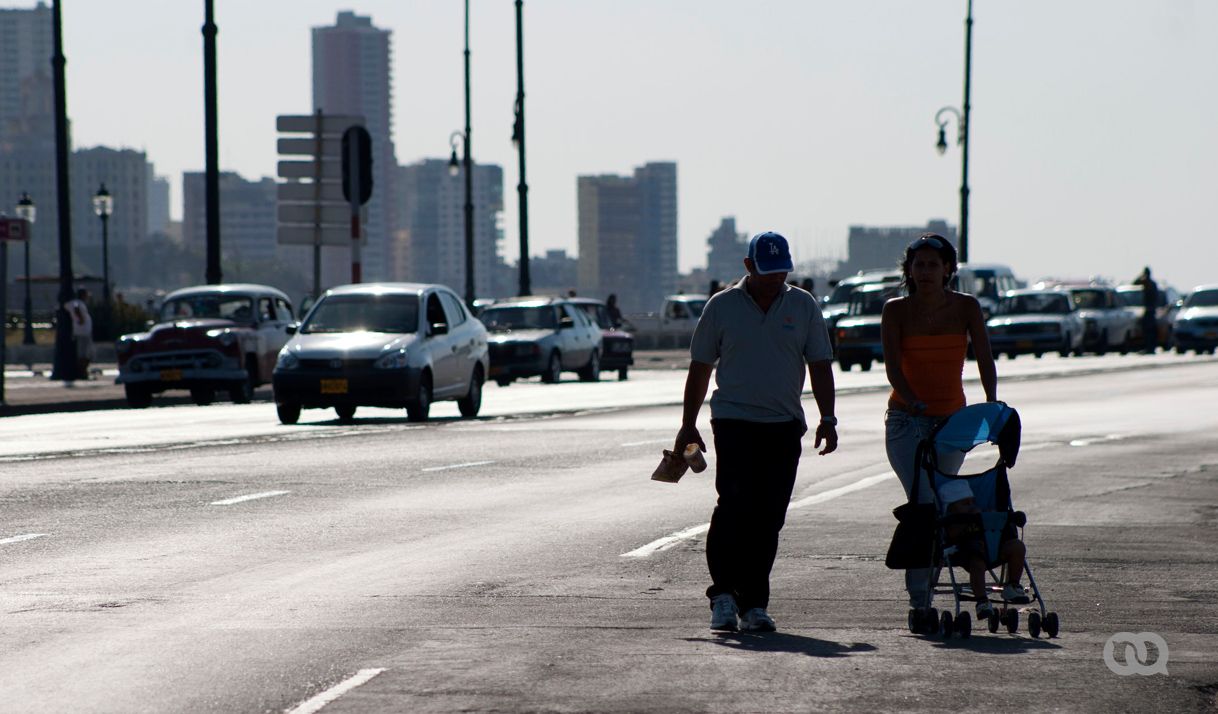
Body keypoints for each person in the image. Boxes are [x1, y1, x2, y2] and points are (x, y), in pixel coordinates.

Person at [674, 231, 838, 633]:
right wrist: (687, 423)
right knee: (732, 507)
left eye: (781, 271)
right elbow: (700, 368)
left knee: (768, 518)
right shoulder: (722, 306)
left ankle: (755, 605)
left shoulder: (802, 305)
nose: (774, 279)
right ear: (748, 267)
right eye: (766, 272)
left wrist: (828, 418)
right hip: (733, 422)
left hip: (783, 426)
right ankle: (724, 596)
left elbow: (820, 363)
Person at [881, 233, 998, 616]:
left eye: (934, 264)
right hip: (906, 421)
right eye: (919, 265)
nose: (926, 271)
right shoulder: (896, 310)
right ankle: (919, 600)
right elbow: (893, 368)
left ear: (948, 269)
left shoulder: (966, 307)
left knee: (941, 504)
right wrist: (912, 400)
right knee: (924, 504)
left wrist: (992, 404)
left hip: (952, 422)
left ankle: (929, 585)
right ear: (909, 271)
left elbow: (983, 357)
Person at [937, 479, 1028, 619]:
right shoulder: (952, 521)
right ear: (951, 508)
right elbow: (952, 534)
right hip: (966, 553)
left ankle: (1013, 585)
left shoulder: (981, 512)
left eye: (972, 502)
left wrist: (992, 517)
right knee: (977, 563)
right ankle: (982, 601)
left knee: (1017, 546)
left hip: (994, 548)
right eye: (965, 504)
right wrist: (968, 520)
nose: (971, 506)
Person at [65, 288, 94, 380]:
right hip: (83, 332)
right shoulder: (77, 303)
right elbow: (75, 308)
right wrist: (80, 319)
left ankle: (83, 372)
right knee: (84, 354)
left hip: (83, 331)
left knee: (85, 353)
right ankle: (83, 373)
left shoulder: (75, 303)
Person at [1133, 266, 1159, 354]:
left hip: (1150, 310)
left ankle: (1150, 348)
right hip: (1149, 310)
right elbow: (1134, 283)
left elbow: (1135, 283)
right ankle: (1149, 347)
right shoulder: (1150, 283)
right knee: (1148, 330)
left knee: (1149, 330)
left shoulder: (1149, 283)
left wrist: (1141, 276)